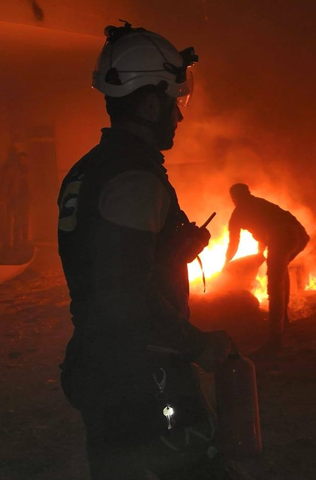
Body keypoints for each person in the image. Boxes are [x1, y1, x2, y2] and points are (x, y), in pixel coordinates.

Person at [57, 23, 235, 480]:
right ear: (151, 102)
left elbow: (105, 265)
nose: (178, 117)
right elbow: (124, 298)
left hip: (101, 365)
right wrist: (199, 345)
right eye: (174, 104)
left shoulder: (89, 169)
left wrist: (173, 252)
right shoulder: (134, 177)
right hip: (142, 375)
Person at [224, 184, 309, 353]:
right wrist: (260, 254)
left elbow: (234, 244)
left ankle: (275, 339)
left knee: (274, 284)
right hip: (300, 235)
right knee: (280, 271)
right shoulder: (261, 203)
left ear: (234, 199)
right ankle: (284, 320)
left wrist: (226, 263)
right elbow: (267, 227)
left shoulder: (238, 213)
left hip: (281, 235)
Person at [1, 150, 31, 248]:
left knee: (25, 220)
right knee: (18, 221)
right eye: (22, 159)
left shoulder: (26, 170)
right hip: (17, 199)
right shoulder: (12, 170)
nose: (23, 161)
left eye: (25, 159)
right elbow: (6, 185)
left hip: (25, 199)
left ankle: (24, 240)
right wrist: (7, 198)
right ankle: (17, 241)